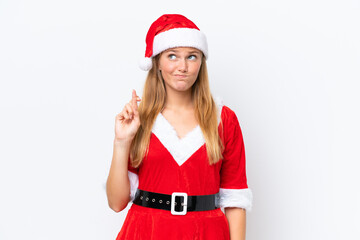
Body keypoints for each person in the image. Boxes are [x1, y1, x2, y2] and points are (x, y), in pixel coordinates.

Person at [106, 14, 253, 240]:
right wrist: (121, 141)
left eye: (191, 57)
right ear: (157, 64)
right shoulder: (138, 118)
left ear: (200, 63)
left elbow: (235, 202)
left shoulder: (223, 119)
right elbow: (116, 203)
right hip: (146, 232)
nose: (182, 67)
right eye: (172, 56)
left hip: (207, 233)